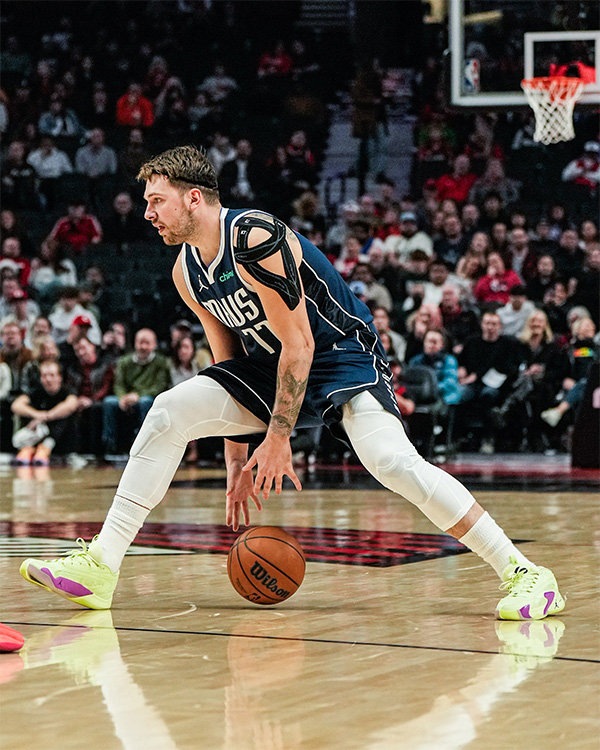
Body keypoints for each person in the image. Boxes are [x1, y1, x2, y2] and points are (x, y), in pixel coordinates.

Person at [19, 145, 565, 622]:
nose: (148, 214)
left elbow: (301, 343)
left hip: (339, 355)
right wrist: (236, 460)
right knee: (168, 411)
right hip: (270, 365)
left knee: (392, 463)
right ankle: (102, 564)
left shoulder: (256, 236)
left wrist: (278, 437)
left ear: (193, 198)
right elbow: (228, 365)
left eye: (156, 201)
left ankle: (526, 573)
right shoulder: (186, 271)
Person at [101, 327, 171, 457]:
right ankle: (109, 447)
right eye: (140, 342)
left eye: (147, 343)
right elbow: (119, 384)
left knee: (145, 402)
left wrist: (137, 396)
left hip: (147, 397)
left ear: (154, 345)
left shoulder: (161, 363)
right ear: (135, 343)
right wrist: (122, 397)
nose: (143, 346)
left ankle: (142, 445)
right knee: (109, 402)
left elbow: (159, 386)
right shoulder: (124, 362)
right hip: (127, 397)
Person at [11, 360, 78, 465]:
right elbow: (16, 405)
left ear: (59, 377)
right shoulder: (36, 392)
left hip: (61, 439)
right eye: (44, 376)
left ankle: (45, 448)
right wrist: (36, 415)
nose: (48, 379)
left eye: (52, 375)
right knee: (26, 415)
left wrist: (48, 416)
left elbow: (71, 404)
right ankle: (28, 449)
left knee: (64, 415)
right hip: (38, 433)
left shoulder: (67, 391)